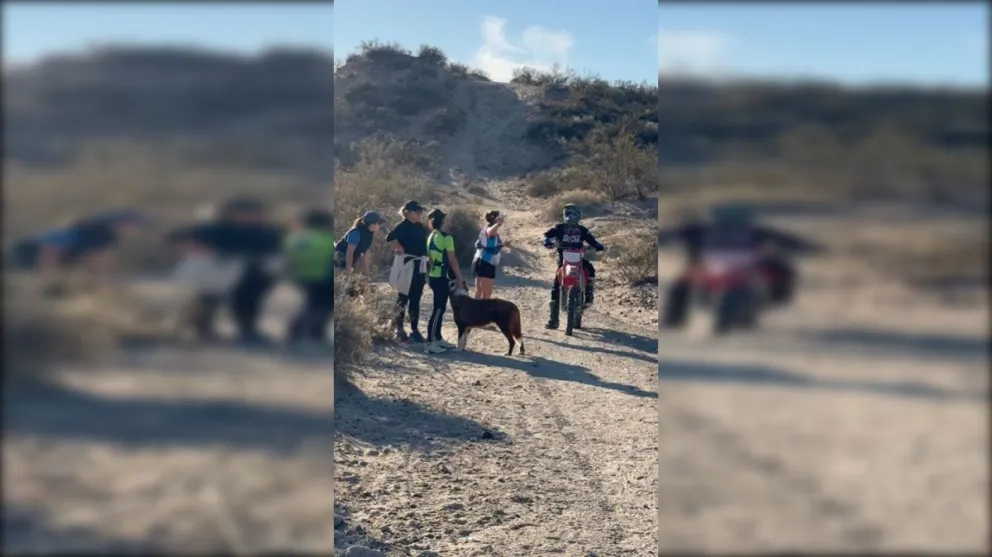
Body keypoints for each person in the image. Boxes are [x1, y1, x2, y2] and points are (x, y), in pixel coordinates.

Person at [658, 202, 824, 327]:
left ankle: (674, 319)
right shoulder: (753, 230)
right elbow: (787, 241)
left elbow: (672, 235)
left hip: (727, 267)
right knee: (681, 285)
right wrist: (809, 248)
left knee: (681, 286)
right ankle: (674, 318)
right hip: (727, 267)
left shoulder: (701, 229)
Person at [166, 197, 285, 344]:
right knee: (208, 302)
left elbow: (281, 248)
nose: (251, 217)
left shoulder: (269, 231)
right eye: (245, 213)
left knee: (248, 304)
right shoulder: (217, 229)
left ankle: (247, 332)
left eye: (255, 213)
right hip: (219, 271)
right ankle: (202, 330)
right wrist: (195, 247)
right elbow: (175, 237)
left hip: (255, 274)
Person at [8, 209, 150, 295]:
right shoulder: (78, 235)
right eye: (133, 225)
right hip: (24, 252)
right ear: (118, 224)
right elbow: (49, 253)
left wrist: (105, 286)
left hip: (42, 256)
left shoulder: (105, 241)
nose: (136, 230)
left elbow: (100, 268)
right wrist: (48, 279)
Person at [542, 203, 605, 330]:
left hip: (579, 259)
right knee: (556, 287)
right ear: (564, 215)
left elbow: (592, 240)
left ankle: (588, 292)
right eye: (568, 213)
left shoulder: (582, 230)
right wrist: (547, 241)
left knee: (590, 269)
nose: (571, 216)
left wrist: (597, 245)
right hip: (564, 260)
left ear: (579, 215)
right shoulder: (559, 228)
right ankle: (553, 320)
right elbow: (547, 235)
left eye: (574, 213)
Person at [284, 208, 336, 348]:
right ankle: (310, 333)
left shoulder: (297, 238)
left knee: (311, 305)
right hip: (322, 276)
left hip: (303, 275)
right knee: (320, 307)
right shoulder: (325, 239)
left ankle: (301, 333)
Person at [385, 200, 429, 343]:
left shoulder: (420, 227)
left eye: (420, 211)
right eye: (417, 211)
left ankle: (414, 330)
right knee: (403, 297)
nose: (420, 214)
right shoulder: (402, 226)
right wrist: (399, 248)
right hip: (407, 264)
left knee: (416, 298)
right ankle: (399, 328)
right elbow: (390, 238)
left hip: (420, 265)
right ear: (408, 212)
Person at [424, 207, 465, 354]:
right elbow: (453, 261)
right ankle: (430, 342)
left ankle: (438, 337)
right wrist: (460, 279)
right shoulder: (446, 238)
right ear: (442, 221)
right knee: (438, 310)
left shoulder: (431, 236)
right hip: (441, 278)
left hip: (434, 276)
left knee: (440, 309)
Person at [334, 211, 382, 279]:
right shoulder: (356, 233)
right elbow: (349, 252)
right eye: (379, 223)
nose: (380, 226)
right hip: (338, 259)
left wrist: (367, 273)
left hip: (348, 259)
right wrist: (348, 270)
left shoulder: (369, 235)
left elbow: (366, 254)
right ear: (372, 224)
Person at [473, 209, 506, 299]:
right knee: (487, 294)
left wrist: (503, 244)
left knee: (479, 292)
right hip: (486, 262)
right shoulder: (489, 229)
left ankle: (474, 312)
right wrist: (498, 224)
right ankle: (482, 313)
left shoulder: (485, 228)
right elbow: (490, 232)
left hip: (480, 261)